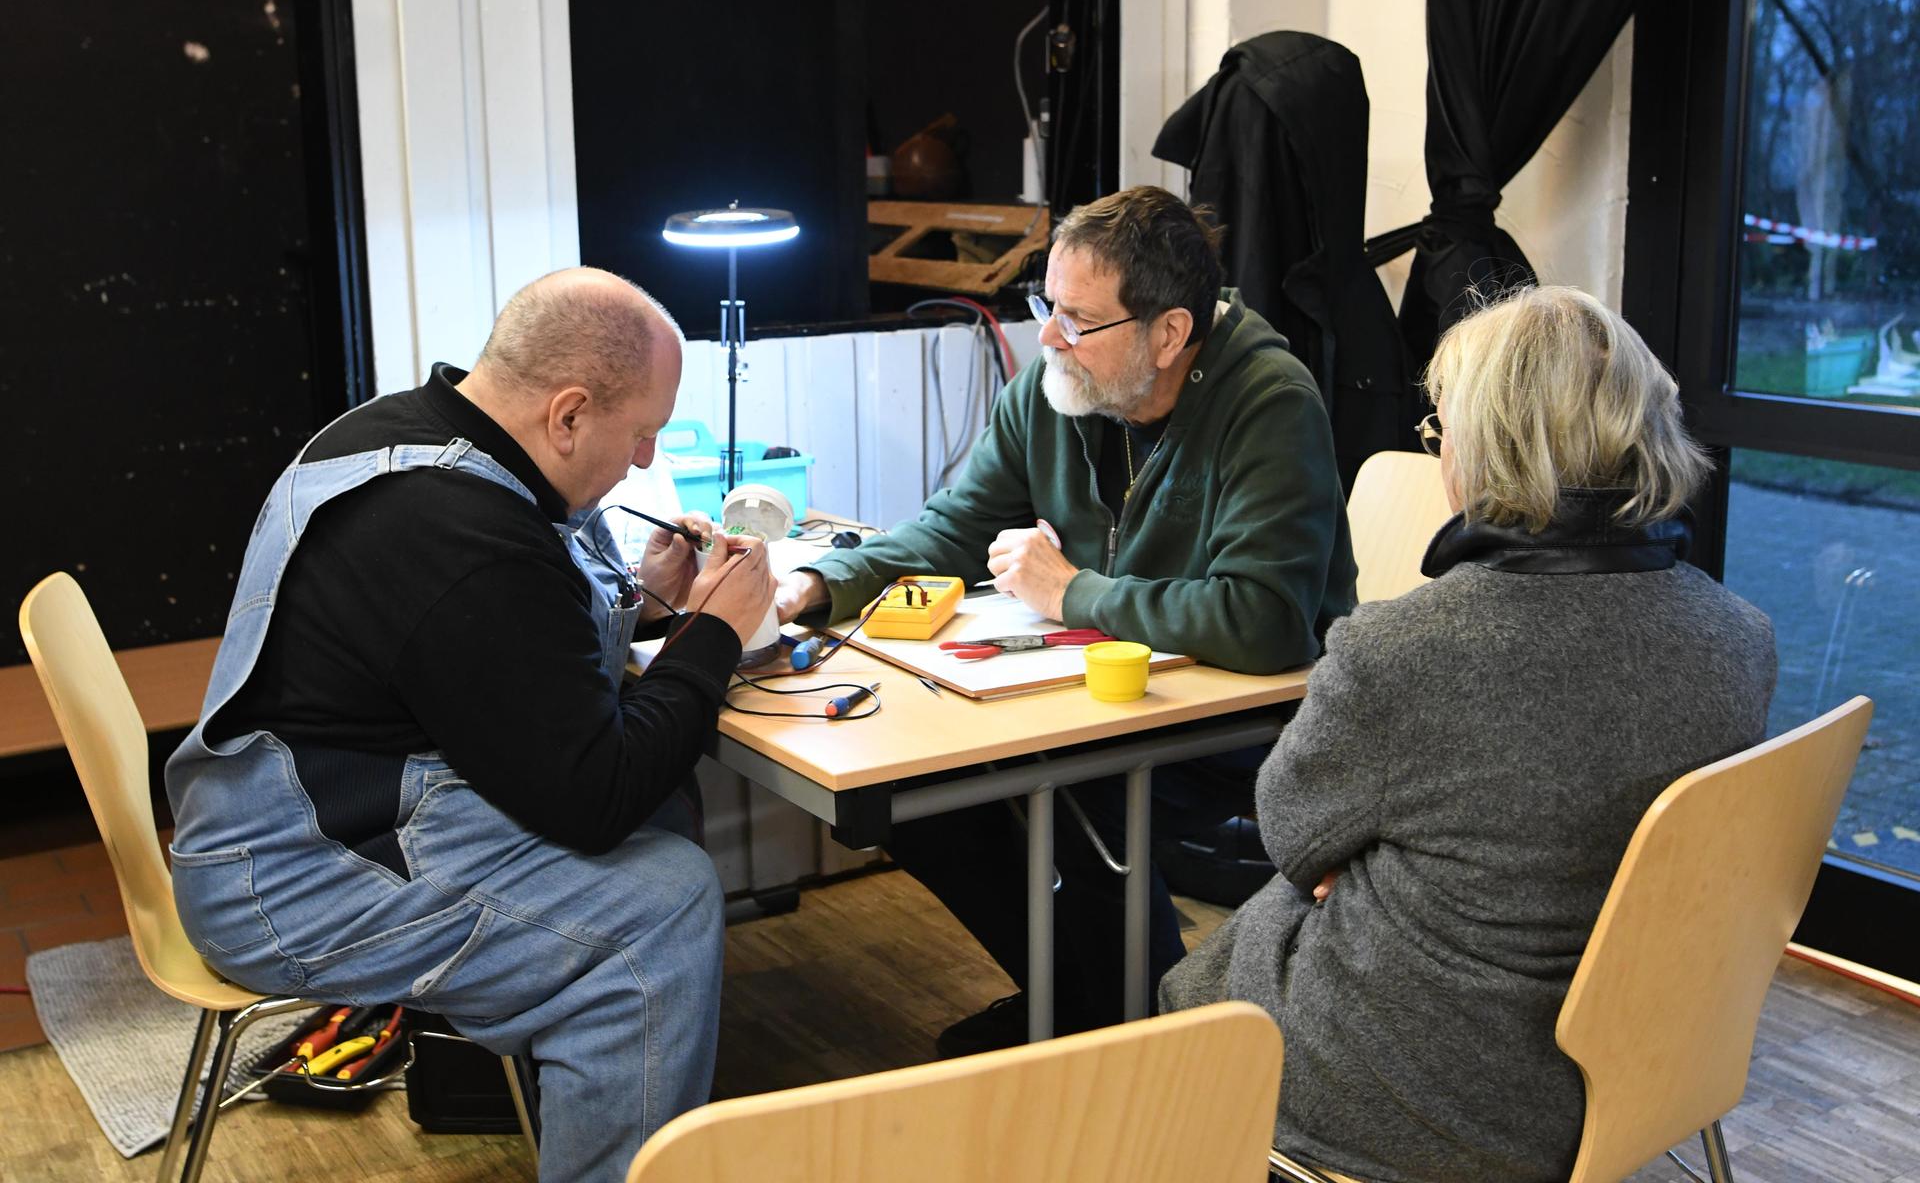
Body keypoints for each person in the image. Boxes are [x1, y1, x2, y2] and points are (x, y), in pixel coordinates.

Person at [164, 268, 776, 1183]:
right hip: (287, 881)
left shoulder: (423, 437)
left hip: (323, 814)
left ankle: (593, 1085)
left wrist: (646, 604)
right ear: (568, 414)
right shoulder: (451, 525)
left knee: (661, 813)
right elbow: (594, 791)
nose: (647, 459)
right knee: (660, 904)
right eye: (641, 432)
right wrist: (716, 636)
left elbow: (507, 663)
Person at [1160, 286, 1778, 1182]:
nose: (1440, 451)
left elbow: (1293, 837)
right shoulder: (1740, 636)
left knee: (1203, 984)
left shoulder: (1401, 651)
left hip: (1440, 1094)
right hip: (1649, 1058)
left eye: (1441, 429)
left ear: (1491, 446)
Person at [776, 185, 1358, 1053]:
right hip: (1103, 690)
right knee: (909, 792)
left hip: (1248, 714)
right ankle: (1073, 1008)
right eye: (1048, 305)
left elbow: (1267, 618)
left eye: (1079, 319)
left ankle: (1142, 1049)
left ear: (1168, 335)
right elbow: (952, 528)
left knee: (1086, 795)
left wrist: (1071, 592)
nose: (1048, 337)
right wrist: (817, 586)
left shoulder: (1269, 401)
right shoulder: (1059, 389)